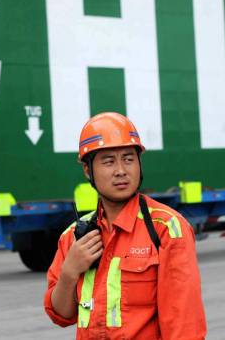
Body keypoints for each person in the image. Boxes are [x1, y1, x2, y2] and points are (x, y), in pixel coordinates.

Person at [44, 112, 207, 339]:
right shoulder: (73, 236)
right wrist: (69, 271)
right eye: (109, 161)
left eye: (129, 159)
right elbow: (61, 315)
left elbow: (184, 326)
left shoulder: (166, 229)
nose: (121, 170)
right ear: (88, 170)